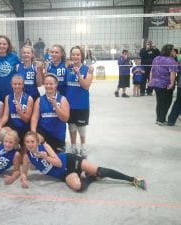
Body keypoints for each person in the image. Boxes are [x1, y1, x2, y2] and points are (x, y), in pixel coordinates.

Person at [17, 131, 147, 192]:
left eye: (32, 141)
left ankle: (132, 179)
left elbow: (58, 163)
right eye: (27, 142)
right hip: (64, 174)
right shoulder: (27, 157)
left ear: (37, 141)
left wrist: (45, 157)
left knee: (100, 170)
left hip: (69, 161)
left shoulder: (45, 147)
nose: (30, 144)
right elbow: (24, 173)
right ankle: (91, 177)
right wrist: (24, 180)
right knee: (77, 187)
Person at [31, 73, 70, 153]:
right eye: (46, 84)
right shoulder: (39, 100)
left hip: (57, 135)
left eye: (51, 84)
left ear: (56, 85)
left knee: (57, 161)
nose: (48, 86)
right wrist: (33, 132)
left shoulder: (62, 99)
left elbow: (65, 119)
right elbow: (35, 117)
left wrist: (56, 106)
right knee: (32, 142)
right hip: (43, 133)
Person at [66, 46, 93, 157]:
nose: (75, 56)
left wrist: (78, 74)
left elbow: (86, 86)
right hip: (69, 104)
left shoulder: (87, 69)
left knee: (81, 127)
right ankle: (73, 146)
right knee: (71, 126)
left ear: (82, 56)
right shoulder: (67, 68)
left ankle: (83, 147)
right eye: (73, 54)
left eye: (78, 54)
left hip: (82, 104)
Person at [0, 75, 34, 149]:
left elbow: (27, 119)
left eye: (19, 84)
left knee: (23, 154)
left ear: (23, 85)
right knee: (1, 132)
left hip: (24, 128)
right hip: (12, 127)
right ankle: (2, 153)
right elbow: (5, 116)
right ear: (11, 85)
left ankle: (17, 147)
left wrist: (19, 111)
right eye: (15, 84)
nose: (17, 86)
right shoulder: (8, 97)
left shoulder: (29, 99)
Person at [148, 44, 177, 126]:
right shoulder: (171, 60)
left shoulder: (156, 58)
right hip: (165, 84)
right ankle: (161, 119)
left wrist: (150, 80)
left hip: (155, 83)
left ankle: (159, 119)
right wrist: (172, 83)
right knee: (167, 102)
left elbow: (151, 70)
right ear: (170, 51)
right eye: (172, 50)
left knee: (159, 102)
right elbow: (172, 73)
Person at [167, 49, 181, 126]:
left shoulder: (178, 57)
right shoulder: (178, 57)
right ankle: (171, 120)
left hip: (180, 83)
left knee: (178, 102)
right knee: (178, 102)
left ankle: (171, 121)